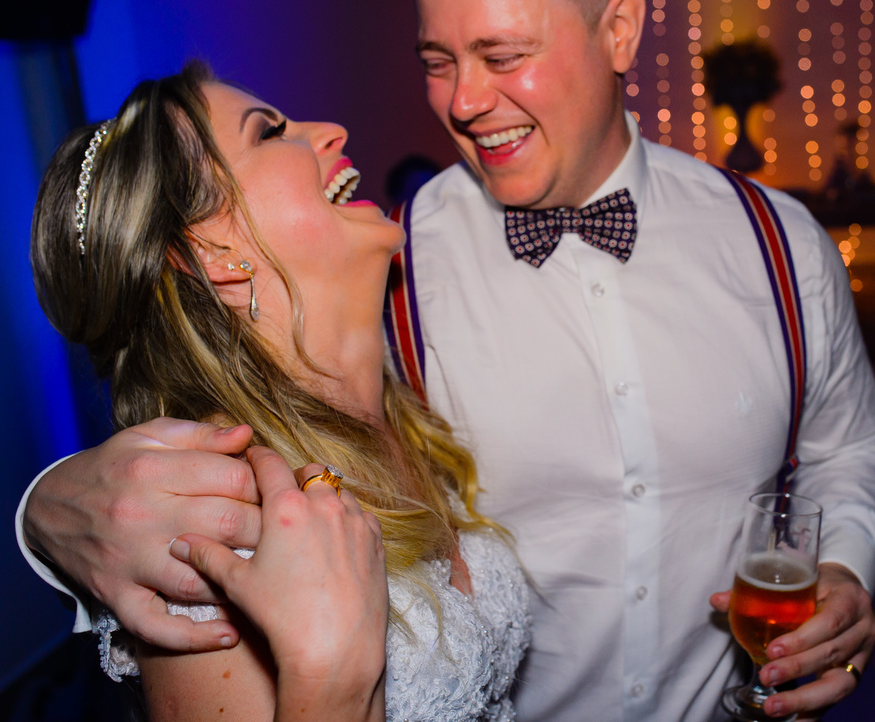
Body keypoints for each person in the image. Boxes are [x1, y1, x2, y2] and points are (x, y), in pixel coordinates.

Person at [20, 0, 875, 720]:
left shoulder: (780, 243)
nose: (464, 101)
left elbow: (849, 448)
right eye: (438, 60)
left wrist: (848, 565)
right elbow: (229, 406)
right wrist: (48, 509)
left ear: (620, 29)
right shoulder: (399, 262)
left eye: (503, 53)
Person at [24, 63, 530, 721]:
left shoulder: (408, 398)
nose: (330, 131)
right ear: (211, 250)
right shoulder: (218, 530)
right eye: (269, 132)